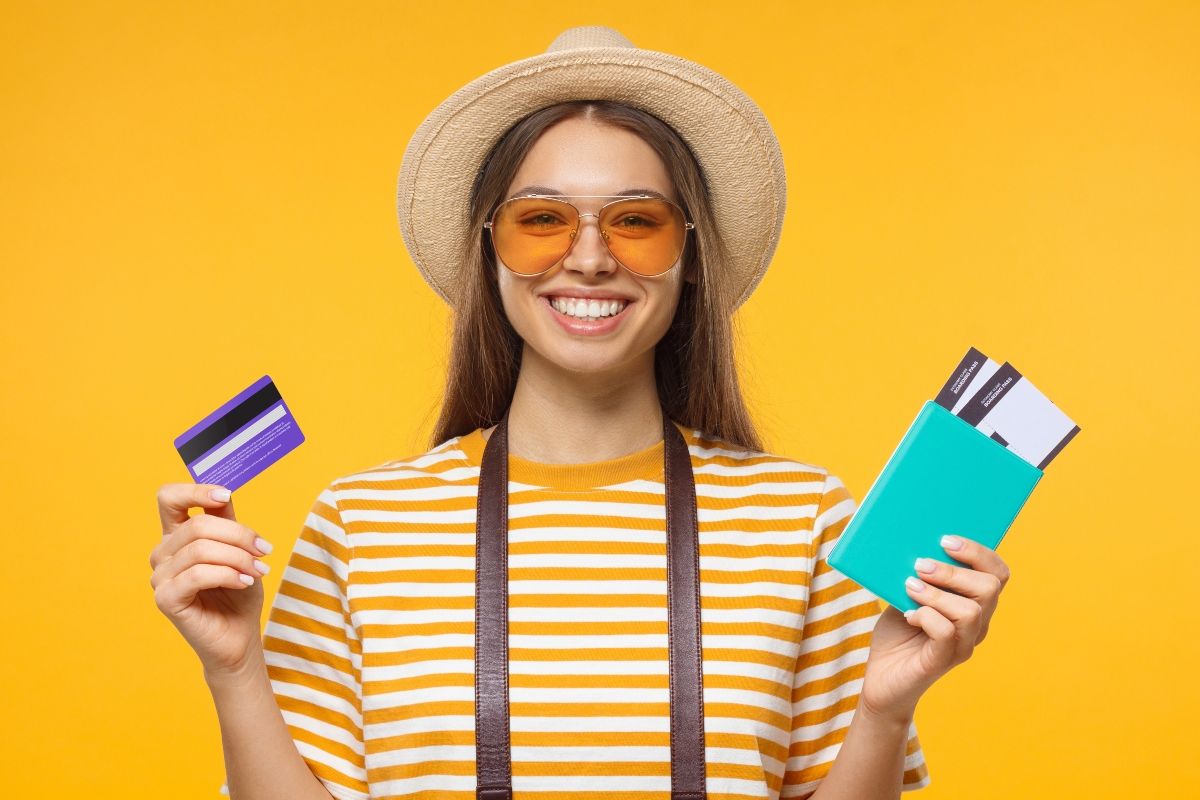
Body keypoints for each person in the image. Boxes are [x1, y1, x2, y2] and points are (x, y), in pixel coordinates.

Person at [150, 25, 1012, 800]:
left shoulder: (805, 520)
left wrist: (884, 713)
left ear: (690, 255)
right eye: (542, 221)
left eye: (636, 221)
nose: (590, 259)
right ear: (489, 250)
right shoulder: (360, 525)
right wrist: (235, 670)